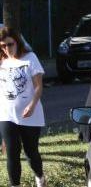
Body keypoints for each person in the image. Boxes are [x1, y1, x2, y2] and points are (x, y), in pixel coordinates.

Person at [0, 27, 47, 187]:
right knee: (12, 154)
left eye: (10, 44)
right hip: (6, 115)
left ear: (17, 42)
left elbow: (39, 86)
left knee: (31, 153)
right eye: (2, 46)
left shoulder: (30, 58)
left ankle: (40, 177)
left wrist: (32, 105)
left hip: (30, 115)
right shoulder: (2, 61)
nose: (7, 49)